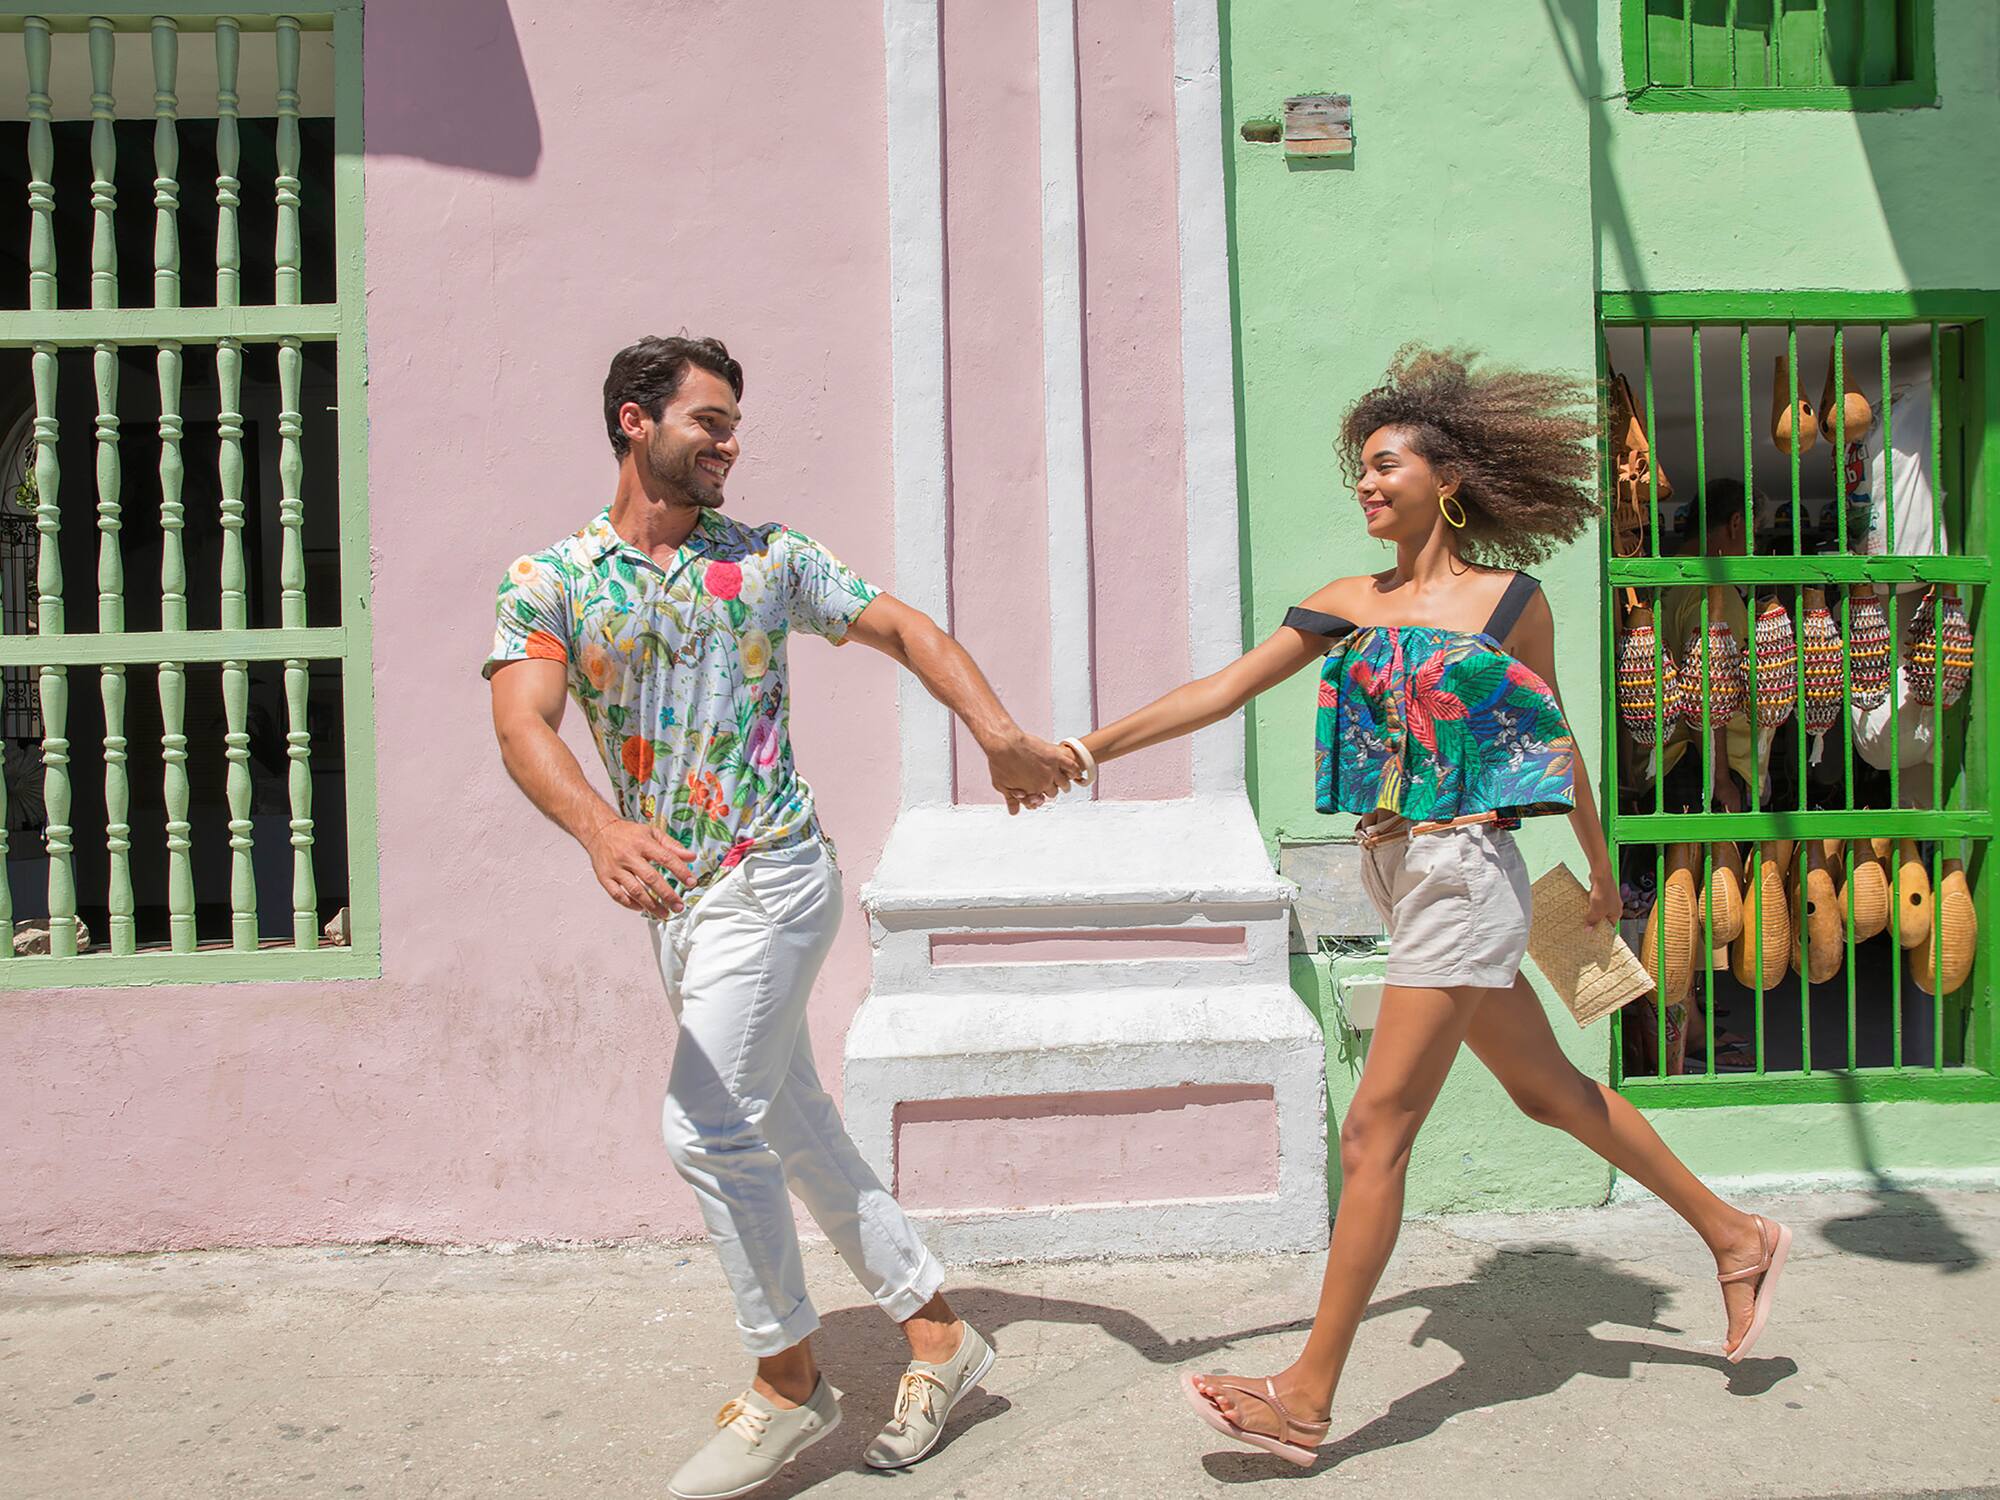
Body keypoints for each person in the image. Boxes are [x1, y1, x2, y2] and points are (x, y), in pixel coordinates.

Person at [1052, 347, 1791, 1466]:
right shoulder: (1348, 605)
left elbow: (1551, 737)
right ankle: (1737, 1236)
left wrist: (1591, 862)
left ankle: (1303, 1397)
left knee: (1373, 1129)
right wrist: (1085, 748)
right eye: (1358, 468)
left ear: (1446, 480)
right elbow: (1220, 689)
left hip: (1466, 871)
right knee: (1549, 1097)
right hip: (1398, 870)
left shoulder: (1508, 602)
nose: (1364, 483)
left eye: (1384, 464)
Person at [485, 336, 1073, 1499]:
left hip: (774, 870)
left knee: (707, 1128)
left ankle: (790, 1381)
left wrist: (996, 731)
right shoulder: (548, 580)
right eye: (707, 421)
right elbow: (523, 724)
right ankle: (944, 1340)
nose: (729, 444)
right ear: (631, 421)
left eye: (733, 424)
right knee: (793, 1127)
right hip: (679, 902)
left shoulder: (768, 559)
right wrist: (602, 830)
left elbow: (907, 630)